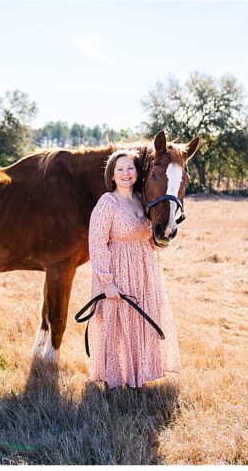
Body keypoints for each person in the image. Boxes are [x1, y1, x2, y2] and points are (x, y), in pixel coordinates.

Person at [87, 150, 180, 389]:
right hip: (117, 272)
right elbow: (96, 244)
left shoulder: (143, 199)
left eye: (130, 168)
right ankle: (115, 381)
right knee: (118, 326)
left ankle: (138, 378)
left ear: (137, 172)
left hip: (144, 271)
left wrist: (162, 238)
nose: (126, 174)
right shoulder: (107, 203)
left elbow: (148, 240)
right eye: (120, 169)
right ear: (112, 175)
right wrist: (107, 282)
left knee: (140, 324)